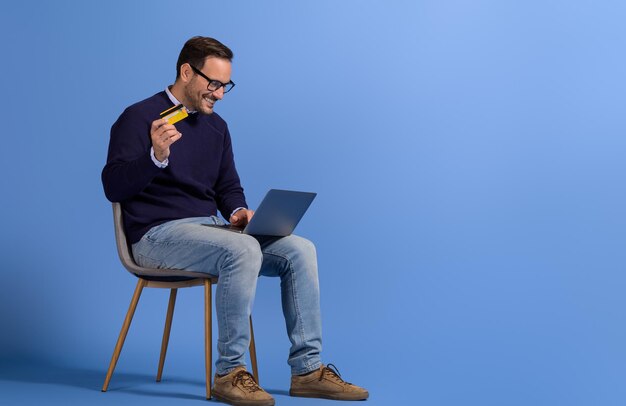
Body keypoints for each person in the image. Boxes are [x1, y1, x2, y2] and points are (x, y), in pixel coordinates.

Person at [102, 36, 368, 406]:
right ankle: (230, 373)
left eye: (226, 86)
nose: (221, 94)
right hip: (155, 237)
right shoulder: (138, 117)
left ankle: (307, 370)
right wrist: (155, 157)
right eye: (213, 84)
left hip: (211, 231)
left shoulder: (217, 127)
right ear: (186, 72)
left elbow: (228, 187)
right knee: (242, 248)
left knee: (300, 249)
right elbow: (113, 186)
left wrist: (238, 212)